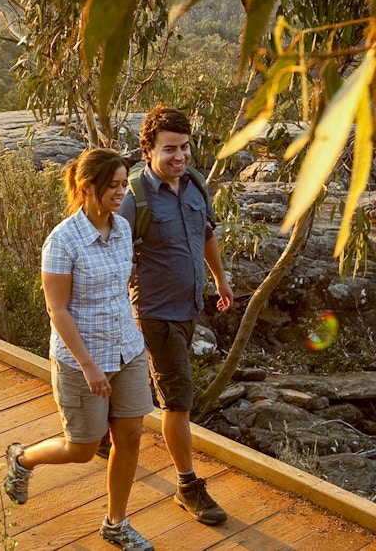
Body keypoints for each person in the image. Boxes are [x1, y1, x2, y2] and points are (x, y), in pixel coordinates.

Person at [4, 148, 155, 551]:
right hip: (81, 359)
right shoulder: (62, 241)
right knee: (83, 449)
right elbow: (57, 309)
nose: (122, 192)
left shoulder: (122, 228)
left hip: (127, 350)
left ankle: (115, 523)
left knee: (131, 434)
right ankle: (22, 459)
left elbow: (121, 292)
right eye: (114, 186)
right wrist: (89, 366)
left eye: (125, 185)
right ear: (87, 187)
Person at [120, 105, 234, 526]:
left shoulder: (195, 186)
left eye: (185, 147)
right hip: (154, 312)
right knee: (177, 400)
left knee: (156, 383)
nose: (180, 156)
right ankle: (188, 487)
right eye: (170, 149)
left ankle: (100, 431)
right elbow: (111, 253)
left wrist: (220, 280)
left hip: (189, 306)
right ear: (147, 150)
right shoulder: (134, 197)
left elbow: (206, 234)